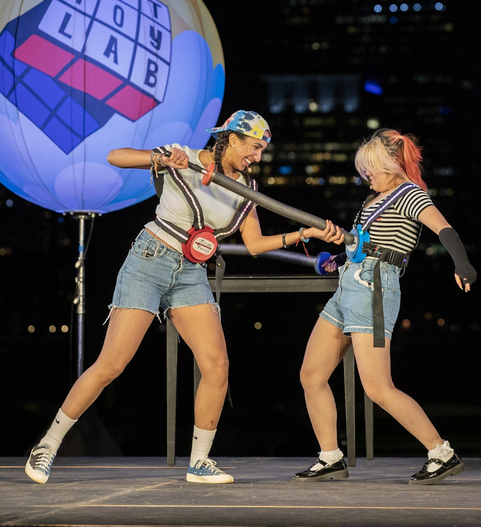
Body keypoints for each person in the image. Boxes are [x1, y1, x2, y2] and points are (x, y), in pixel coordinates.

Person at [24, 110, 343, 485]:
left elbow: (255, 245)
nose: (257, 156)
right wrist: (159, 158)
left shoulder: (247, 189)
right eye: (254, 147)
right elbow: (115, 156)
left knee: (217, 365)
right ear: (233, 138)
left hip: (190, 274)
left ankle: (199, 462)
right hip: (150, 259)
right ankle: (47, 445)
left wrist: (306, 234)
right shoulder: (184, 157)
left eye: (262, 150)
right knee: (111, 365)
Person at [293, 129, 476, 485]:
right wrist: (339, 257)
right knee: (311, 375)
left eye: (371, 169)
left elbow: (444, 229)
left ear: (391, 165)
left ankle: (441, 453)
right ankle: (330, 457)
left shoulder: (409, 193)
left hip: (375, 287)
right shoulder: (373, 200)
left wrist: (462, 264)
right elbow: (363, 244)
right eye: (365, 170)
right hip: (349, 284)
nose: (367, 176)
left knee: (377, 387)